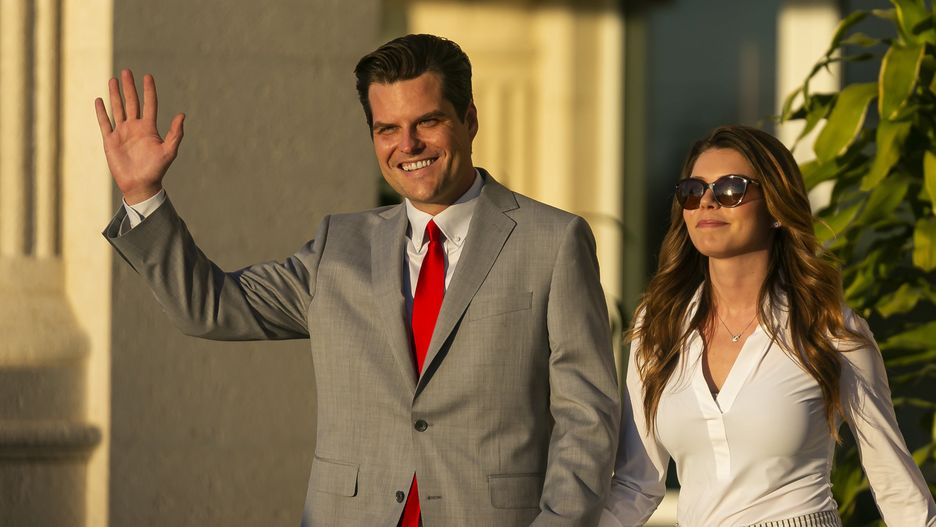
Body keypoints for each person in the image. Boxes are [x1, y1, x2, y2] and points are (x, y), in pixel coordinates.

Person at [94, 34, 620, 526]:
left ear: (470, 119)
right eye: (387, 129)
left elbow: (588, 420)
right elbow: (207, 307)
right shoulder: (337, 247)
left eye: (428, 121)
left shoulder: (553, 242)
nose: (408, 144)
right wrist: (145, 195)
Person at [601, 125, 936, 527]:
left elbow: (896, 488)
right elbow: (637, 485)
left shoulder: (829, 327)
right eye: (693, 191)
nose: (707, 202)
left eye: (730, 189)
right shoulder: (658, 326)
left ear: (776, 207)